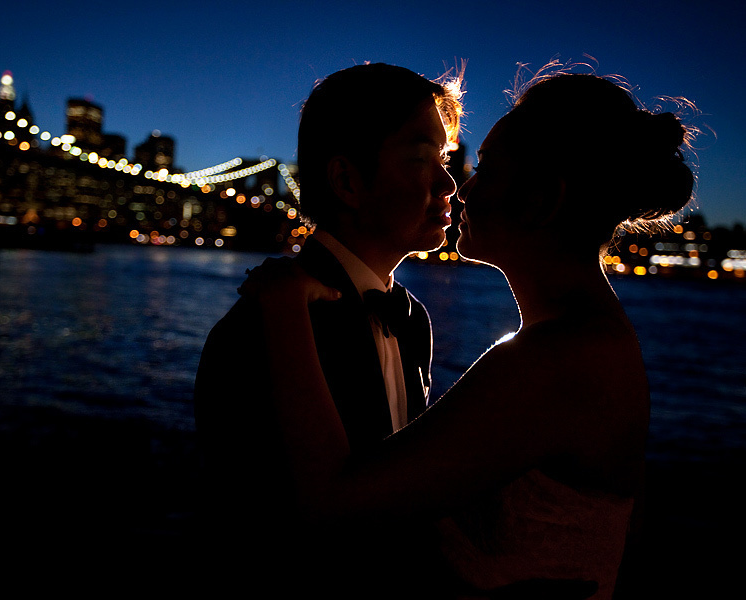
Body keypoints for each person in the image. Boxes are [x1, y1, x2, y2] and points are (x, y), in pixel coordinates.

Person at [241, 69, 696, 599]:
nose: (461, 187)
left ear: (539, 201)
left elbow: (332, 504)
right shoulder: (588, 342)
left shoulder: (555, 360)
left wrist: (282, 308)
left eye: (485, 169)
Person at [193, 63, 463, 586]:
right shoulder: (258, 331)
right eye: (421, 158)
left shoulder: (412, 318)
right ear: (347, 181)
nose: (449, 182)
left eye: (445, 158)